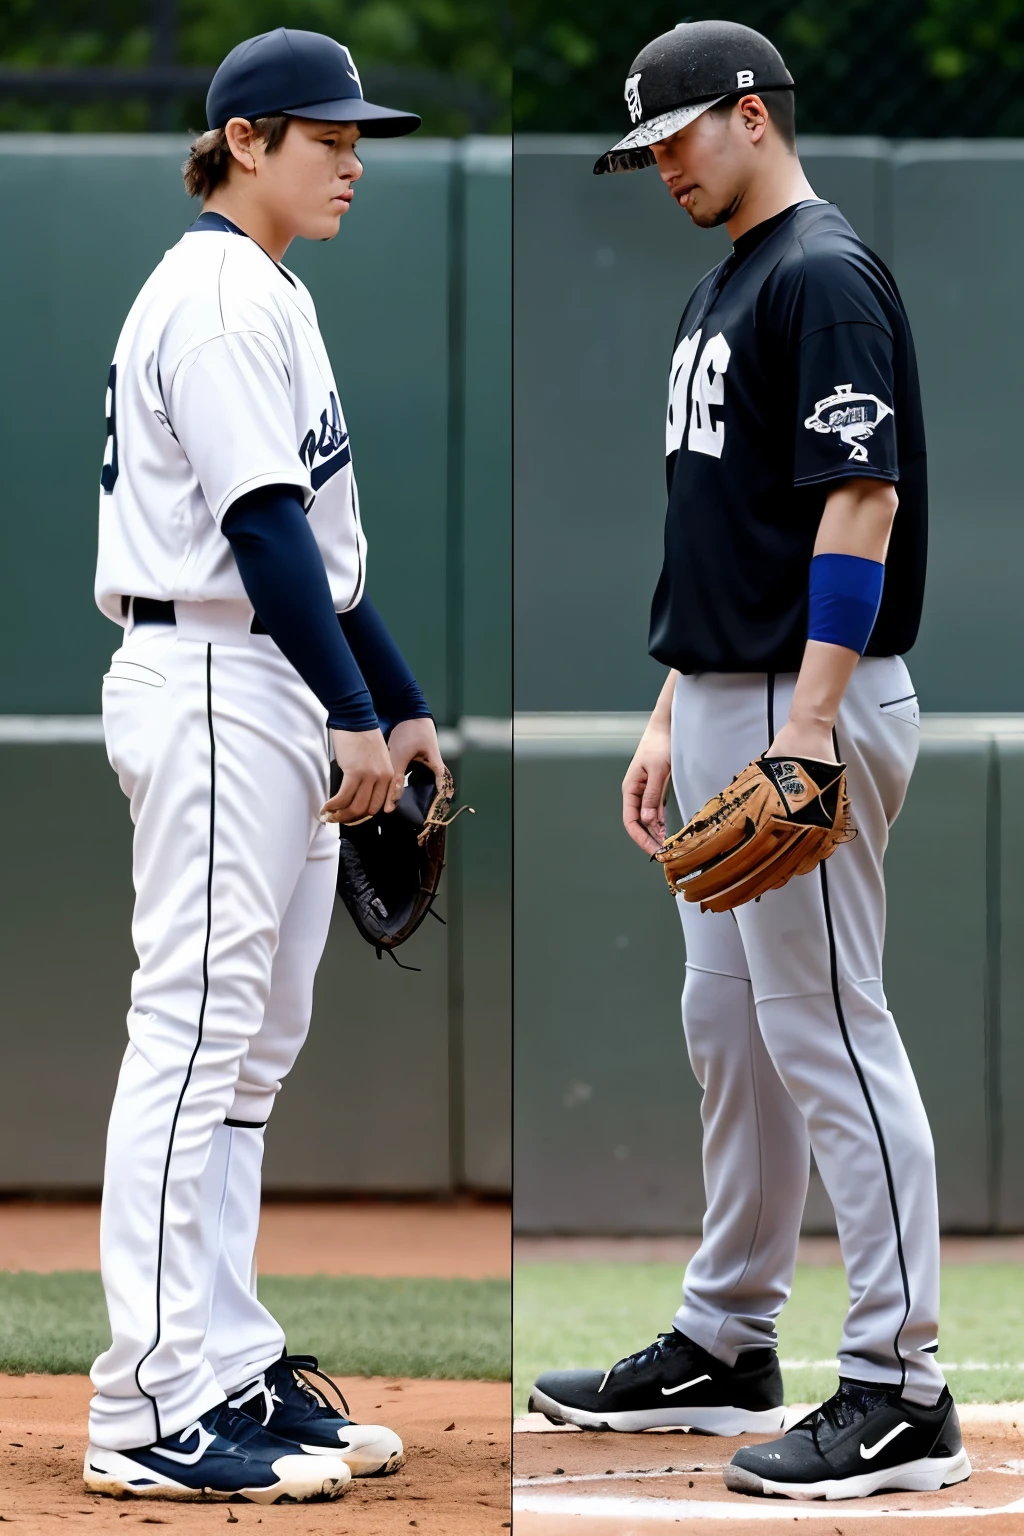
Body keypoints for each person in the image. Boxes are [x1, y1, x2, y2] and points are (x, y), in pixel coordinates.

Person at [530, 20, 972, 1503]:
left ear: (749, 115)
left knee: (831, 1032)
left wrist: (802, 728)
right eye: (644, 149)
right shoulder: (730, 281)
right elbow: (724, 528)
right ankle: (729, 1337)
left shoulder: (823, 274)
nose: (656, 165)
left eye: (671, 137)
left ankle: (903, 1389)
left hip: (807, 699)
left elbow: (863, 501)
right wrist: (675, 711)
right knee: (736, 1032)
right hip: (730, 688)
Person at [85, 29, 445, 1505]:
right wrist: (348, 709)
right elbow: (262, 536)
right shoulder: (223, 294)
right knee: (194, 1031)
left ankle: (224, 1359)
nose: (353, 160)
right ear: (246, 137)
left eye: (359, 138)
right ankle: (149, 1400)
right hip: (227, 676)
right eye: (327, 136)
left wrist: (399, 705)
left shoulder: (267, 291)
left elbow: (320, 545)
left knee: (251, 1050)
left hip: (274, 676)